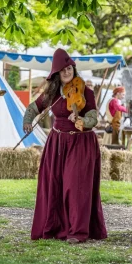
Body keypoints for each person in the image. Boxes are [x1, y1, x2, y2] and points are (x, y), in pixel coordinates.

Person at [23, 48, 107, 244]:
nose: (67, 72)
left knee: (75, 186)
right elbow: (33, 107)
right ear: (56, 73)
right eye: (63, 70)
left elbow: (93, 118)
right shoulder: (52, 92)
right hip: (57, 142)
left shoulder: (85, 91)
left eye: (69, 68)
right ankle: (55, 227)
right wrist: (27, 120)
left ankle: (77, 232)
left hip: (81, 143)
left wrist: (82, 121)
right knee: (55, 185)